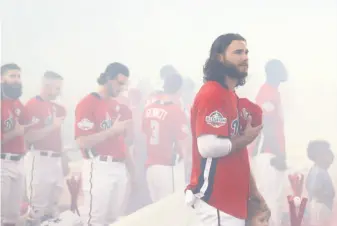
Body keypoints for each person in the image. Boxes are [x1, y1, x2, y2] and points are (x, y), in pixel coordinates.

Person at [185, 33, 266, 226]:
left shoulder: (231, 96)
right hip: (217, 200)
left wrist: (254, 194)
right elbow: (207, 146)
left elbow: (238, 154)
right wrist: (244, 139)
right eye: (238, 52)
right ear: (219, 57)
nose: (245, 57)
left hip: (232, 201)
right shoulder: (212, 93)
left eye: (246, 52)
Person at [74, 62, 133, 225]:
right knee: (95, 219)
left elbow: (125, 141)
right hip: (98, 166)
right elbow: (82, 141)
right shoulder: (88, 102)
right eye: (119, 83)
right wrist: (111, 132)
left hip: (119, 167)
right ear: (108, 78)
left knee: (115, 220)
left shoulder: (116, 105)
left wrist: (131, 170)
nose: (121, 88)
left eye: (124, 84)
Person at [23, 71, 67, 225]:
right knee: (37, 208)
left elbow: (58, 135)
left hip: (55, 160)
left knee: (53, 207)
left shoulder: (58, 108)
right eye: (57, 88)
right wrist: (51, 127)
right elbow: (28, 136)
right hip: (39, 159)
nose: (60, 91)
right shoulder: (31, 105)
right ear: (46, 86)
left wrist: (64, 158)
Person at [142, 73, 189, 202]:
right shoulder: (175, 110)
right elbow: (184, 146)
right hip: (169, 169)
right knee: (173, 213)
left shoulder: (148, 108)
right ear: (180, 90)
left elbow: (144, 133)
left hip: (151, 168)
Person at [1, 63, 27, 226]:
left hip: (19, 162)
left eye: (18, 76)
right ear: (1, 78)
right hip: (2, 163)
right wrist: (15, 133)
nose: (16, 80)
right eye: (12, 76)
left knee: (12, 216)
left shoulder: (18, 103)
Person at [251, 59, 288, 158]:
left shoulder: (273, 92)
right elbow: (266, 126)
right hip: (270, 154)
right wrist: (279, 155)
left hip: (274, 151)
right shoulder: (268, 93)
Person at [306, 140, 335, 226]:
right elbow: (314, 189)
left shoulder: (318, 170)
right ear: (319, 156)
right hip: (321, 207)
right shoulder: (318, 171)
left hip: (322, 207)